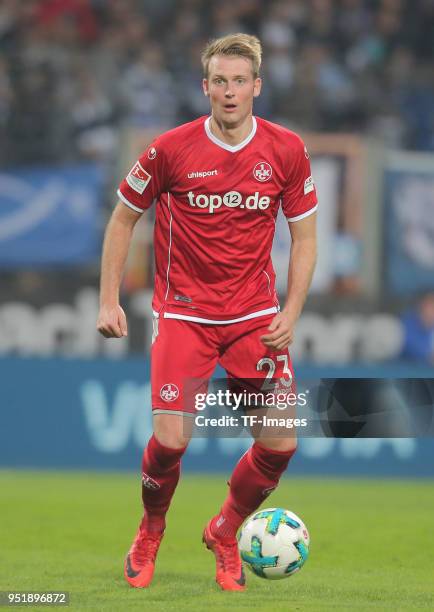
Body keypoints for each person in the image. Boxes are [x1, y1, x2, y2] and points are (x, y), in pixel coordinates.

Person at [97, 33, 317, 592]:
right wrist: (108, 298)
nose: (229, 91)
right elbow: (123, 217)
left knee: (281, 443)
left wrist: (292, 310)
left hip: (254, 318)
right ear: (206, 87)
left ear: (256, 87)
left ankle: (225, 530)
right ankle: (150, 528)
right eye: (219, 80)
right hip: (184, 315)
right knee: (170, 442)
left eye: (239, 81)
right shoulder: (169, 148)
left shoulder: (286, 149)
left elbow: (305, 236)